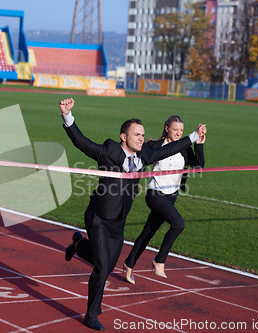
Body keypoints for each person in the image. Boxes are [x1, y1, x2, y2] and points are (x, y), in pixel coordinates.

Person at [59, 98, 206, 331]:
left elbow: (169, 148)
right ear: (123, 137)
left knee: (106, 267)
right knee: (102, 268)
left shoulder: (145, 155)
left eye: (142, 134)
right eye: (136, 134)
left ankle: (78, 245)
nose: (140, 138)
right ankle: (91, 314)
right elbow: (81, 142)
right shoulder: (109, 151)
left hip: (119, 223)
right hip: (98, 217)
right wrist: (67, 116)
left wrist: (194, 137)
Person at [122, 115, 205, 284]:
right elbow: (137, 157)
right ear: (167, 128)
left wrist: (199, 145)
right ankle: (159, 261)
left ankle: (128, 264)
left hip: (171, 196)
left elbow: (198, 167)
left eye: (181, 131)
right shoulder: (155, 145)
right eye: (175, 130)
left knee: (148, 232)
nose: (178, 134)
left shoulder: (184, 148)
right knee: (178, 224)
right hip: (154, 194)